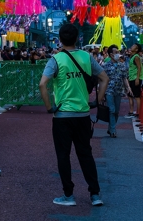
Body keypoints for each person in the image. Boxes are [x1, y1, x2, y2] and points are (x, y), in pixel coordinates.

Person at [39, 22, 108, 207]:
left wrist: (49, 107)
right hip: (83, 114)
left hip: (62, 116)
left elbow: (42, 84)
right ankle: (95, 194)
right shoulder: (86, 57)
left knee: (63, 156)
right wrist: (96, 101)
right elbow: (104, 78)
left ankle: (68, 195)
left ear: (60, 39)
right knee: (85, 154)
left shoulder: (55, 59)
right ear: (77, 38)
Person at [101, 46, 130, 137]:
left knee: (116, 111)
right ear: (111, 55)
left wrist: (128, 88)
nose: (118, 53)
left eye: (118, 51)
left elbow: (124, 77)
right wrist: (101, 93)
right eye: (116, 52)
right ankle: (113, 130)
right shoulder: (105, 65)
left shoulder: (122, 65)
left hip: (119, 90)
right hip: (109, 90)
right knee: (112, 110)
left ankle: (110, 128)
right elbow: (101, 80)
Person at [126, 43, 143, 117]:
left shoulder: (136, 57)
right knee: (130, 95)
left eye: (134, 46)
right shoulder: (132, 56)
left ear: (136, 50)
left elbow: (139, 68)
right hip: (131, 78)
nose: (132, 46)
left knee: (137, 96)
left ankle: (138, 112)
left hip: (135, 78)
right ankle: (131, 111)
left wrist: (137, 79)